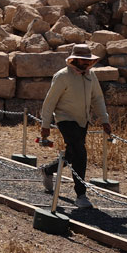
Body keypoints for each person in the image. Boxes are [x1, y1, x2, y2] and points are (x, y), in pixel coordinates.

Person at [39, 43, 112, 209]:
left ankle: (48, 170)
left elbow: (97, 99)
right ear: (74, 59)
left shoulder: (91, 76)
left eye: (88, 60)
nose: (86, 63)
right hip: (65, 119)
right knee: (80, 152)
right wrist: (45, 125)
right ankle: (81, 194)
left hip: (83, 120)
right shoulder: (62, 76)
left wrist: (104, 119)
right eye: (83, 60)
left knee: (72, 153)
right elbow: (50, 102)